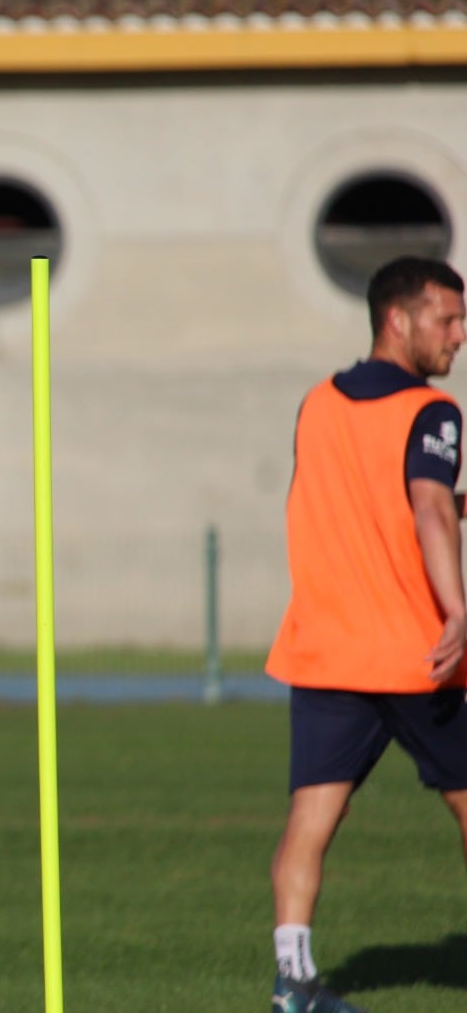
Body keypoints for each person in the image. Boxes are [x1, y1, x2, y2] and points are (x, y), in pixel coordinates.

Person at [265, 255, 467, 1013]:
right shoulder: (433, 411)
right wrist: (457, 608)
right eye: (447, 319)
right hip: (416, 653)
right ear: (399, 318)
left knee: (312, 819)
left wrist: (455, 503)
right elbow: (425, 506)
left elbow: (369, 500)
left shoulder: (317, 403)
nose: (459, 336)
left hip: (325, 650)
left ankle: (292, 980)